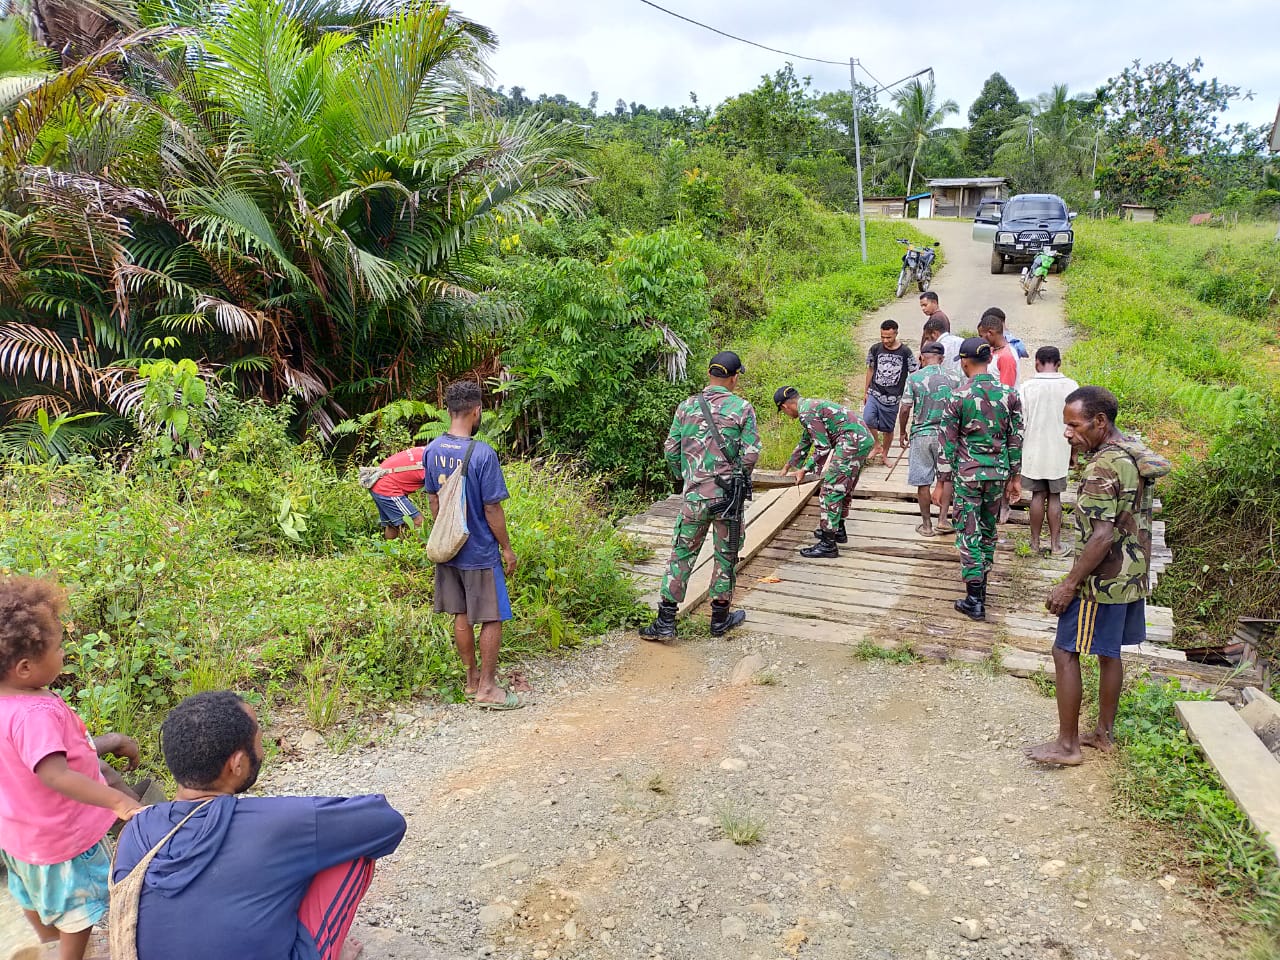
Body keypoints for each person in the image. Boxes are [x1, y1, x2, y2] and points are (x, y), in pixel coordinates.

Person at [113, 691, 406, 960]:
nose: (262, 751)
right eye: (259, 742)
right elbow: (387, 823)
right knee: (353, 850)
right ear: (237, 764)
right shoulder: (279, 822)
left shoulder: (135, 829)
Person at [1025, 388, 1171, 766]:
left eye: (1073, 425)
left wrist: (1069, 583)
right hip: (1132, 572)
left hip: (1102, 580)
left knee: (1065, 650)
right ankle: (1103, 734)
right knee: (1108, 653)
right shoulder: (1131, 451)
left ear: (1099, 422)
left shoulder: (1103, 467)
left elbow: (1102, 535)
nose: (1067, 433)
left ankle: (1068, 745)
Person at [0, 576, 143, 960]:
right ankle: (70, 954)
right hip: (64, 839)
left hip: (18, 836)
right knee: (80, 912)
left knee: (29, 891)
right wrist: (118, 802)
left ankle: (46, 944)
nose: (64, 654)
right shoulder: (35, 713)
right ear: (26, 666)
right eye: (59, 648)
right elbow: (55, 774)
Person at [640, 351, 760, 641]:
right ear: (734, 377)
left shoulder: (687, 406)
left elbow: (671, 448)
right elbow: (751, 453)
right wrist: (736, 480)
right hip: (728, 500)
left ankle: (666, 621)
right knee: (726, 553)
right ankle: (719, 619)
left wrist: (686, 476)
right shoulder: (742, 408)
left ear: (709, 374)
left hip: (694, 497)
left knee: (681, 553)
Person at [423, 381, 521, 709]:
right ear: (477, 411)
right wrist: (506, 547)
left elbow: (435, 503)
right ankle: (488, 689)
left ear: (448, 410)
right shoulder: (482, 453)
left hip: (449, 550)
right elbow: (492, 508)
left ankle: (471, 681)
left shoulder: (432, 449)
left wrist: (445, 537)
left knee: (461, 614)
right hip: (479, 550)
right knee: (492, 617)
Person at [939, 338, 1023, 621]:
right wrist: (1015, 477)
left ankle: (974, 599)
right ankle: (982, 590)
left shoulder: (958, 396)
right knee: (988, 529)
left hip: (968, 476)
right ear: (989, 360)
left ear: (964, 362)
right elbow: (1016, 439)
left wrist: (942, 482)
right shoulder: (1009, 395)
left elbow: (948, 444)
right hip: (997, 475)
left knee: (968, 531)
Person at [775, 386, 874, 559]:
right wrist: (788, 466)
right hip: (862, 439)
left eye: (783, 412)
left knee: (831, 490)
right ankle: (838, 530)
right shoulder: (810, 406)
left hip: (851, 442)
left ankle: (828, 544)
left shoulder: (806, 413)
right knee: (844, 487)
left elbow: (823, 447)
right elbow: (806, 440)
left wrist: (805, 470)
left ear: (785, 406)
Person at [1018, 346, 1079, 555]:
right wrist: (1074, 453)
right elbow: (1075, 425)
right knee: (1055, 497)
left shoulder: (1026, 387)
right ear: (1059, 363)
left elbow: (1020, 423)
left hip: (1033, 451)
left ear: (1037, 363)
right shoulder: (1071, 387)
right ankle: (1055, 545)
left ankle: (1034, 544)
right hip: (1060, 451)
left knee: (1037, 495)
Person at [897, 342, 962, 537]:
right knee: (947, 477)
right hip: (948, 435)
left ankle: (926, 525)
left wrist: (902, 431)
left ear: (922, 358)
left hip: (922, 435)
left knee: (923, 480)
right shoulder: (955, 378)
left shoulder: (914, 378)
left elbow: (906, 407)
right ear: (942, 358)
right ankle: (943, 519)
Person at [862, 319, 917, 464]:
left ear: (896, 334)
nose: (885, 340)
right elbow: (871, 369)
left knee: (888, 429)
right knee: (867, 420)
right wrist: (866, 391)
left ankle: (884, 454)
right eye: (883, 337)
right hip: (875, 392)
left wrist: (912, 394)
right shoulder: (875, 349)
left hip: (893, 397)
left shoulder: (905, 352)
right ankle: (876, 445)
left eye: (889, 337)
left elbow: (914, 372)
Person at [366, 445, 428, 539]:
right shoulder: (435, 463)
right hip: (387, 486)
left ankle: (390, 552)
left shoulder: (427, 450)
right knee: (418, 521)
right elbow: (435, 496)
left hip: (379, 481)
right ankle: (426, 552)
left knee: (393, 525)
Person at [977, 308, 1019, 388]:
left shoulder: (1006, 357)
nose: (980, 340)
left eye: (981, 336)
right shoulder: (994, 350)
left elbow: (1006, 392)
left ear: (990, 333)